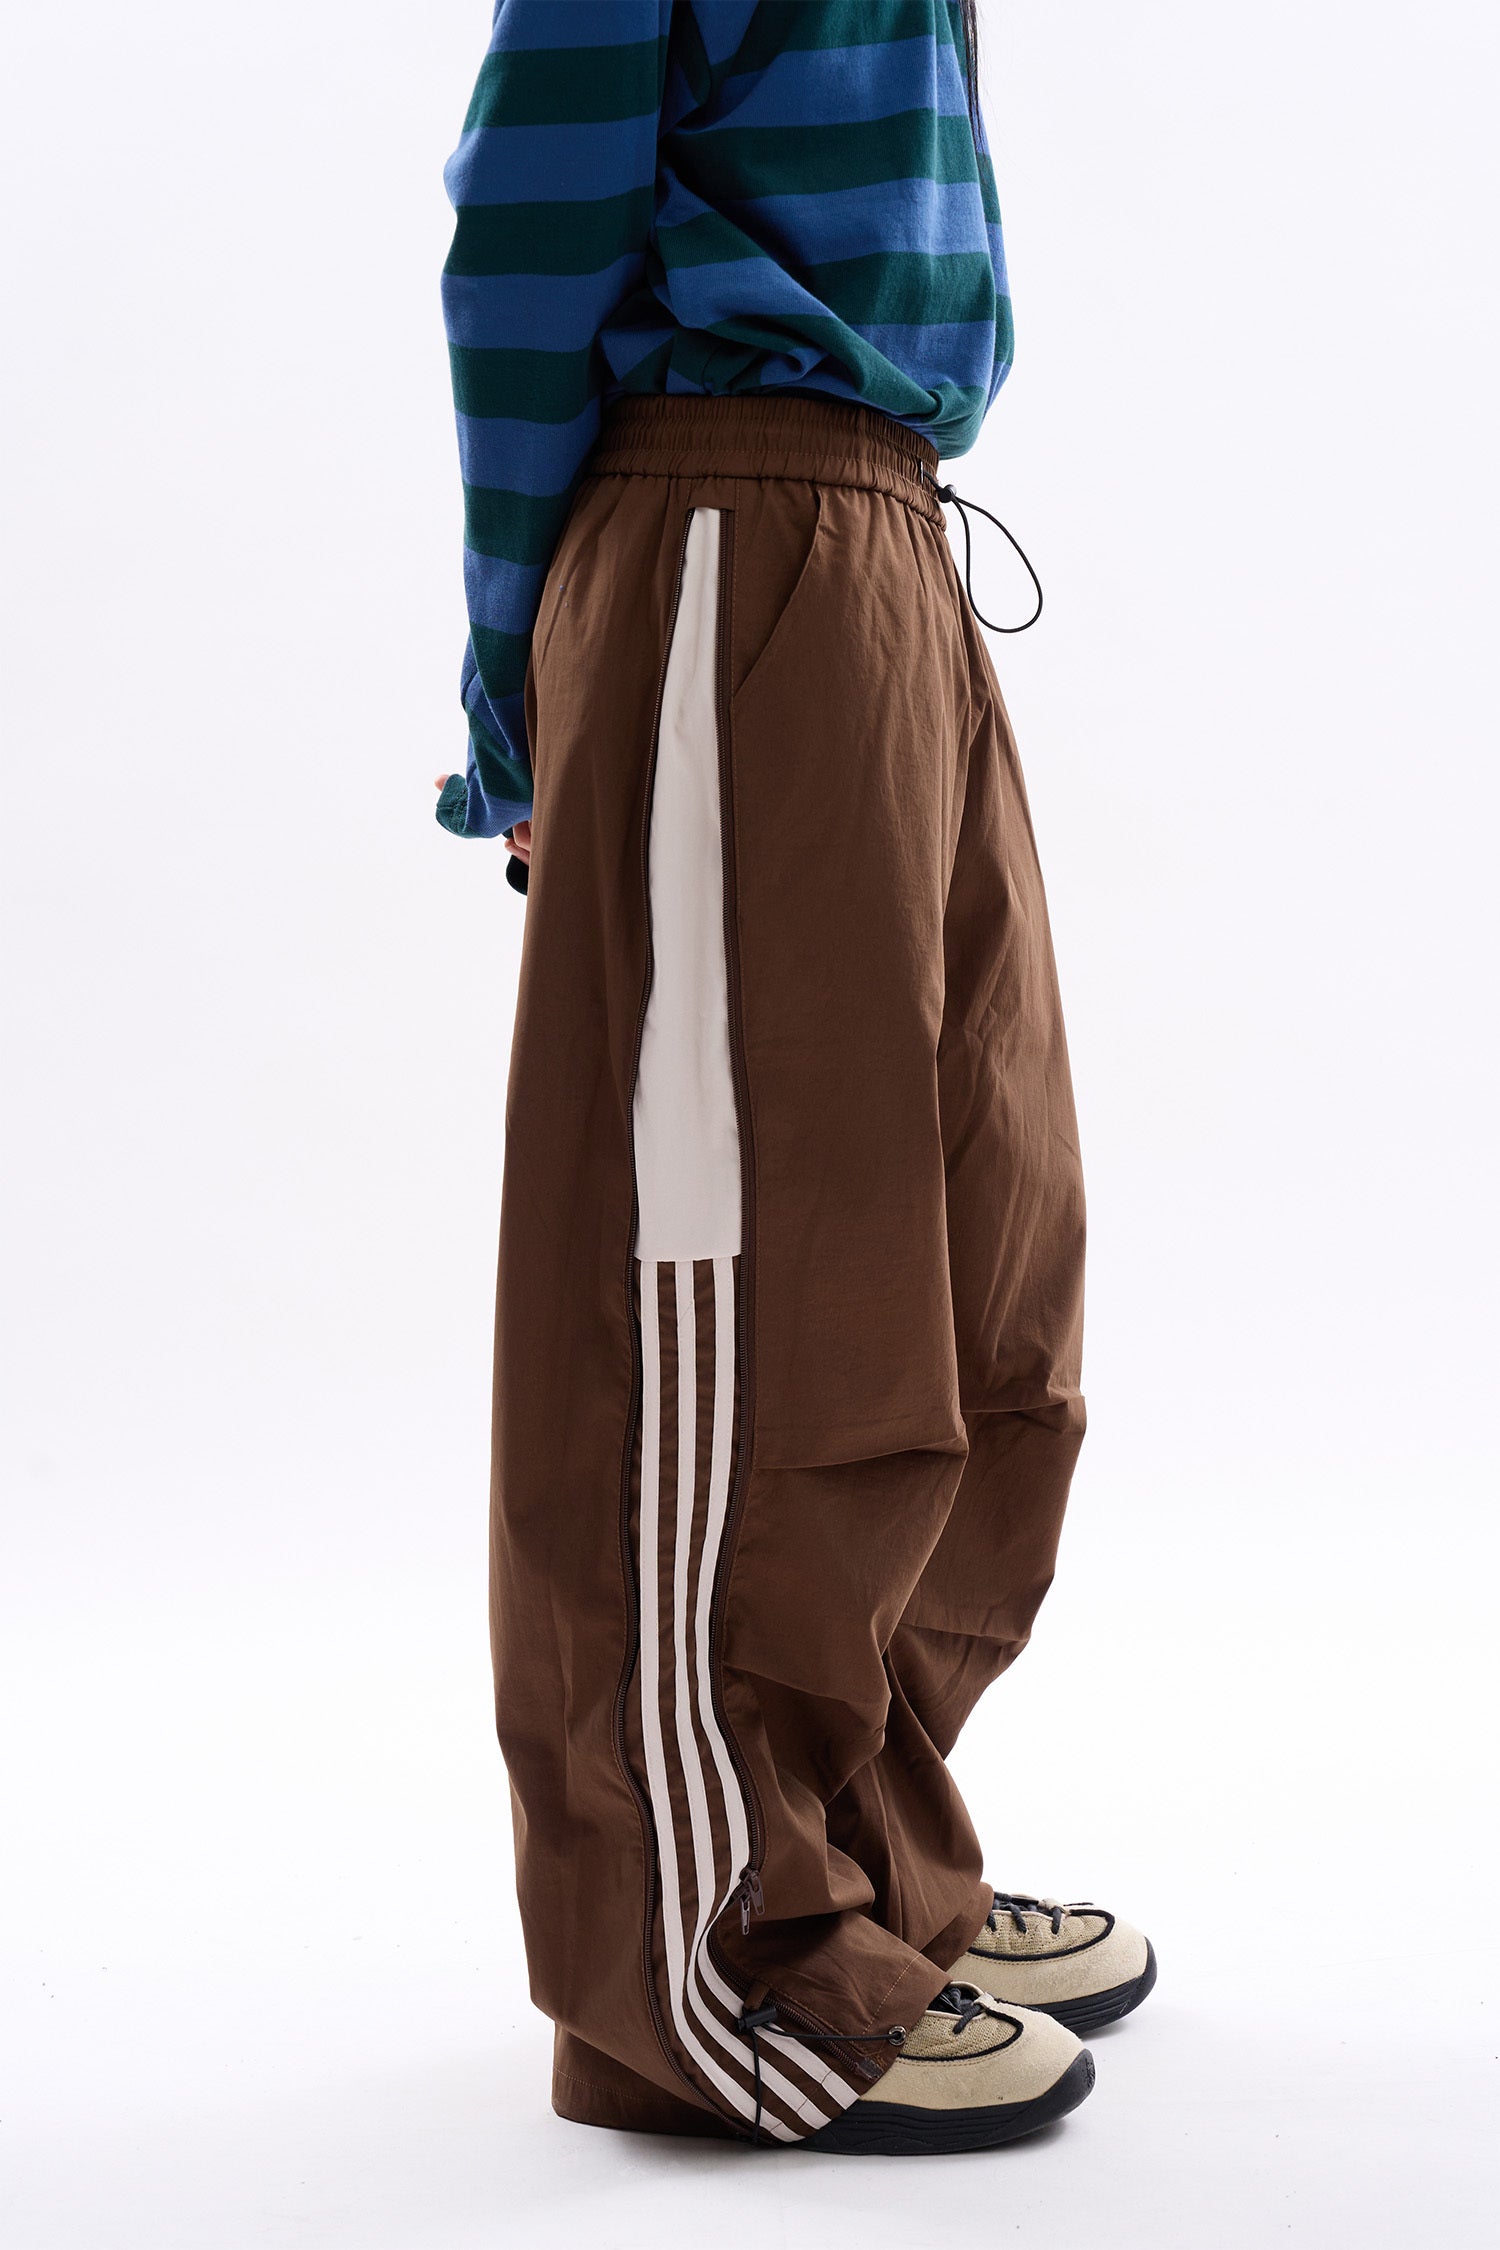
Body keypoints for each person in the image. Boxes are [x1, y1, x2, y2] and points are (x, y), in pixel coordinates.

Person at [433, 0, 1154, 2155]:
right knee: (731, 1288)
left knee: (984, 1257)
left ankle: (869, 1855)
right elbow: (525, 226)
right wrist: (515, 693)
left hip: (887, 533)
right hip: (722, 518)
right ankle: (721, 1950)